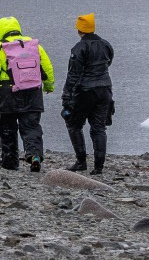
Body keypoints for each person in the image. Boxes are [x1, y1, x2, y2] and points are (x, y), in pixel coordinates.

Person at [0, 16, 54, 172]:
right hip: (32, 91)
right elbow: (46, 67)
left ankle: (10, 162)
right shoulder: (32, 45)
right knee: (31, 126)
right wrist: (49, 85)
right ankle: (34, 156)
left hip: (7, 94)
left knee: (7, 130)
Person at [61, 13, 114, 175]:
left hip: (84, 92)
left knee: (74, 124)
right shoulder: (106, 45)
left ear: (79, 29)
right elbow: (109, 62)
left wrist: (66, 97)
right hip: (105, 89)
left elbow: (73, 75)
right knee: (99, 128)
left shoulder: (79, 48)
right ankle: (98, 166)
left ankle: (81, 161)